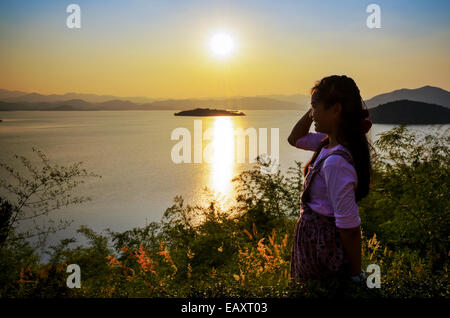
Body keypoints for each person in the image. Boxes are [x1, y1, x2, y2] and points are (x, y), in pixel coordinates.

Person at [287, 75, 373, 285]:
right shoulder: (327, 145)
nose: (312, 114)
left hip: (324, 251)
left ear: (336, 110)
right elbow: (295, 139)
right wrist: (314, 108)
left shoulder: (336, 162)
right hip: (314, 246)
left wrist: (357, 275)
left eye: (315, 107)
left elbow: (349, 228)